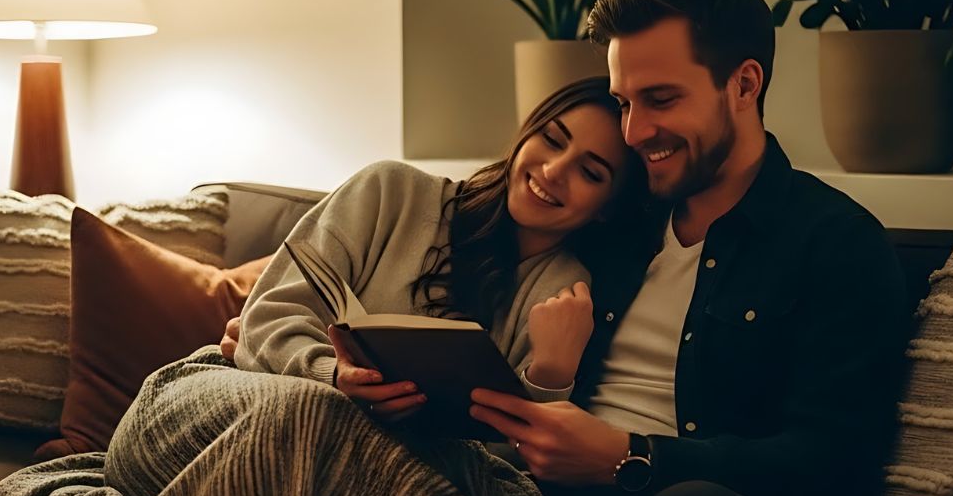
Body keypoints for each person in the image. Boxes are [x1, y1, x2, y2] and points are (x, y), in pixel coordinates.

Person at [460, 0, 913, 496]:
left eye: (661, 100)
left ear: (744, 84)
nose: (635, 131)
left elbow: (830, 465)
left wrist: (630, 461)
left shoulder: (835, 244)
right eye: (624, 102)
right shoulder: (618, 218)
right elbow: (475, 235)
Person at [231, 76, 654, 422]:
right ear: (527, 133)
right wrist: (331, 374)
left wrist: (552, 374)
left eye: (590, 172)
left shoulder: (566, 292)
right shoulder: (388, 192)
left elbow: (522, 456)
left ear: (607, 208)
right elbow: (267, 317)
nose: (553, 170)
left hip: (398, 463)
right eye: (552, 139)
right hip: (275, 402)